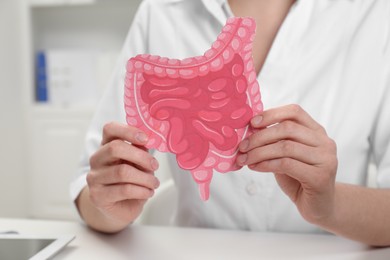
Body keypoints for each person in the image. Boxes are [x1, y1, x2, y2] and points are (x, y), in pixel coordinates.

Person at [70, 0, 390, 246]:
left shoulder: (374, 14)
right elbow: (91, 184)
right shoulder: (161, 10)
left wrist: (330, 205)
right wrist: (109, 204)